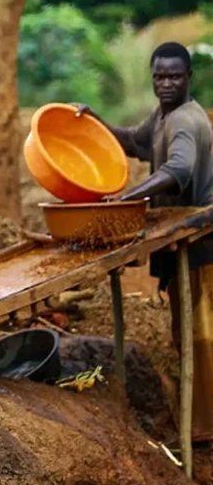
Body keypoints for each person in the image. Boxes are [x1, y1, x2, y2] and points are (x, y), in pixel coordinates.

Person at [77, 41, 213, 442]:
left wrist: (126, 198)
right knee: (186, 332)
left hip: (202, 244)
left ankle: (202, 429)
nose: (166, 83)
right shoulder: (162, 114)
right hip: (185, 241)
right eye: (159, 77)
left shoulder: (186, 120)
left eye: (174, 76)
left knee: (202, 336)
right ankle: (198, 422)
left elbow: (179, 168)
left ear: (188, 77)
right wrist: (95, 122)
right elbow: (134, 143)